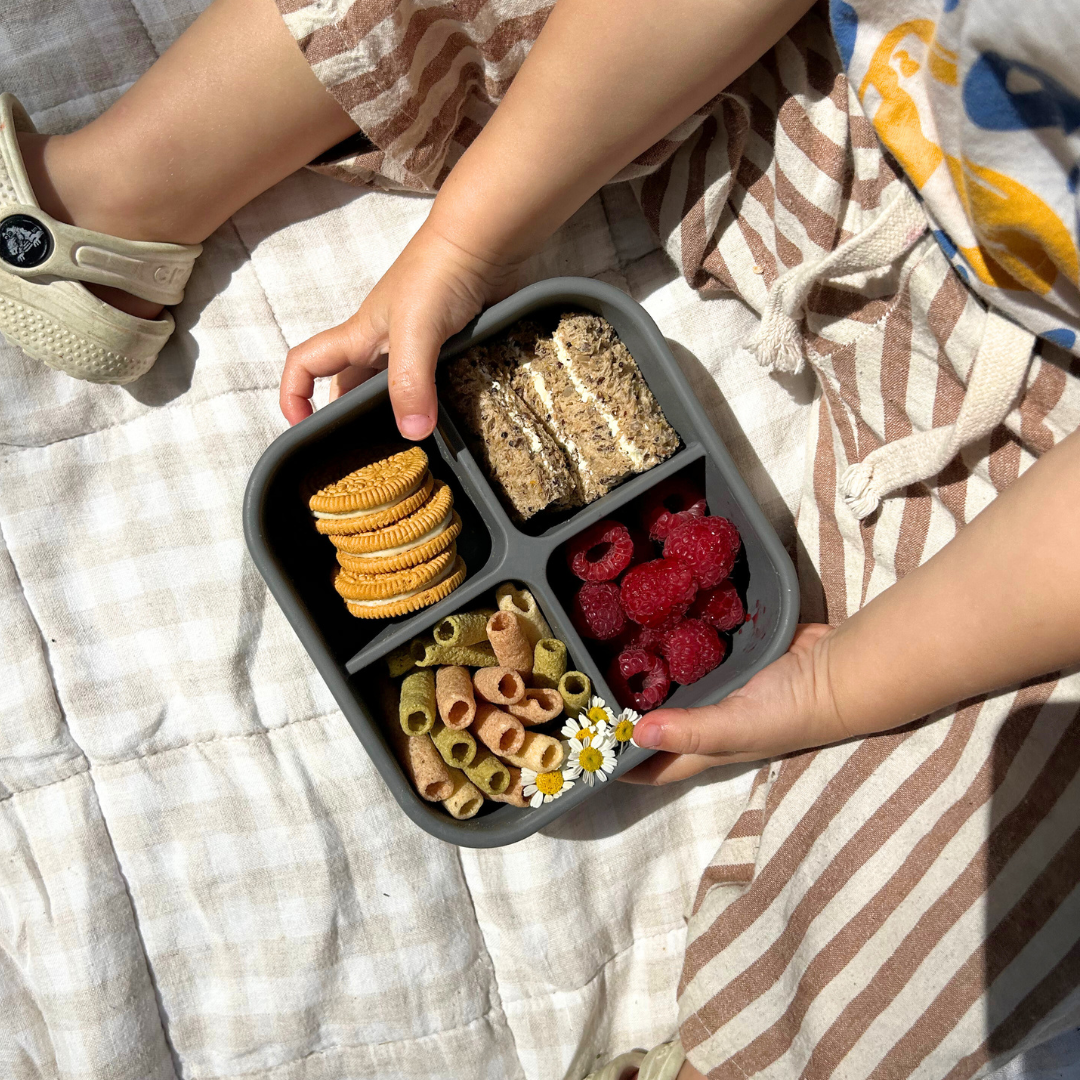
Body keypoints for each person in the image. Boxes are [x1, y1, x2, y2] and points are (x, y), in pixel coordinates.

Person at [2, 1, 1078, 1077]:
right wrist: (468, 238)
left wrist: (845, 681)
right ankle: (103, 213)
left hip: (1026, 455)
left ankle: (736, 1058)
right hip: (793, 96)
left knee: (1014, 821)